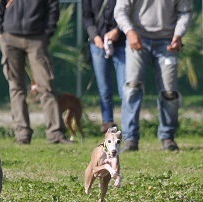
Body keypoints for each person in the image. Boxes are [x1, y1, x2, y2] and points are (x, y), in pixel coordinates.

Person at [114, 0, 192, 151]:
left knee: (170, 92)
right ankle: (130, 138)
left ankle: (167, 137)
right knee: (132, 87)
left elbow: (185, 12)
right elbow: (120, 10)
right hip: (138, 38)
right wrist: (129, 31)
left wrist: (178, 34)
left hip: (167, 41)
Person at [0, 0, 71, 145]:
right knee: (16, 88)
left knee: (46, 86)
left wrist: (48, 32)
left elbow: (53, 6)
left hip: (37, 38)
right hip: (10, 37)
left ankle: (55, 134)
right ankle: (22, 134)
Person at [82, 0, 126, 134]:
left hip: (122, 43)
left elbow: (128, 12)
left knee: (125, 88)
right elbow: (87, 17)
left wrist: (118, 30)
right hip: (98, 44)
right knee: (104, 89)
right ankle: (108, 125)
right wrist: (94, 36)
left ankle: (128, 126)